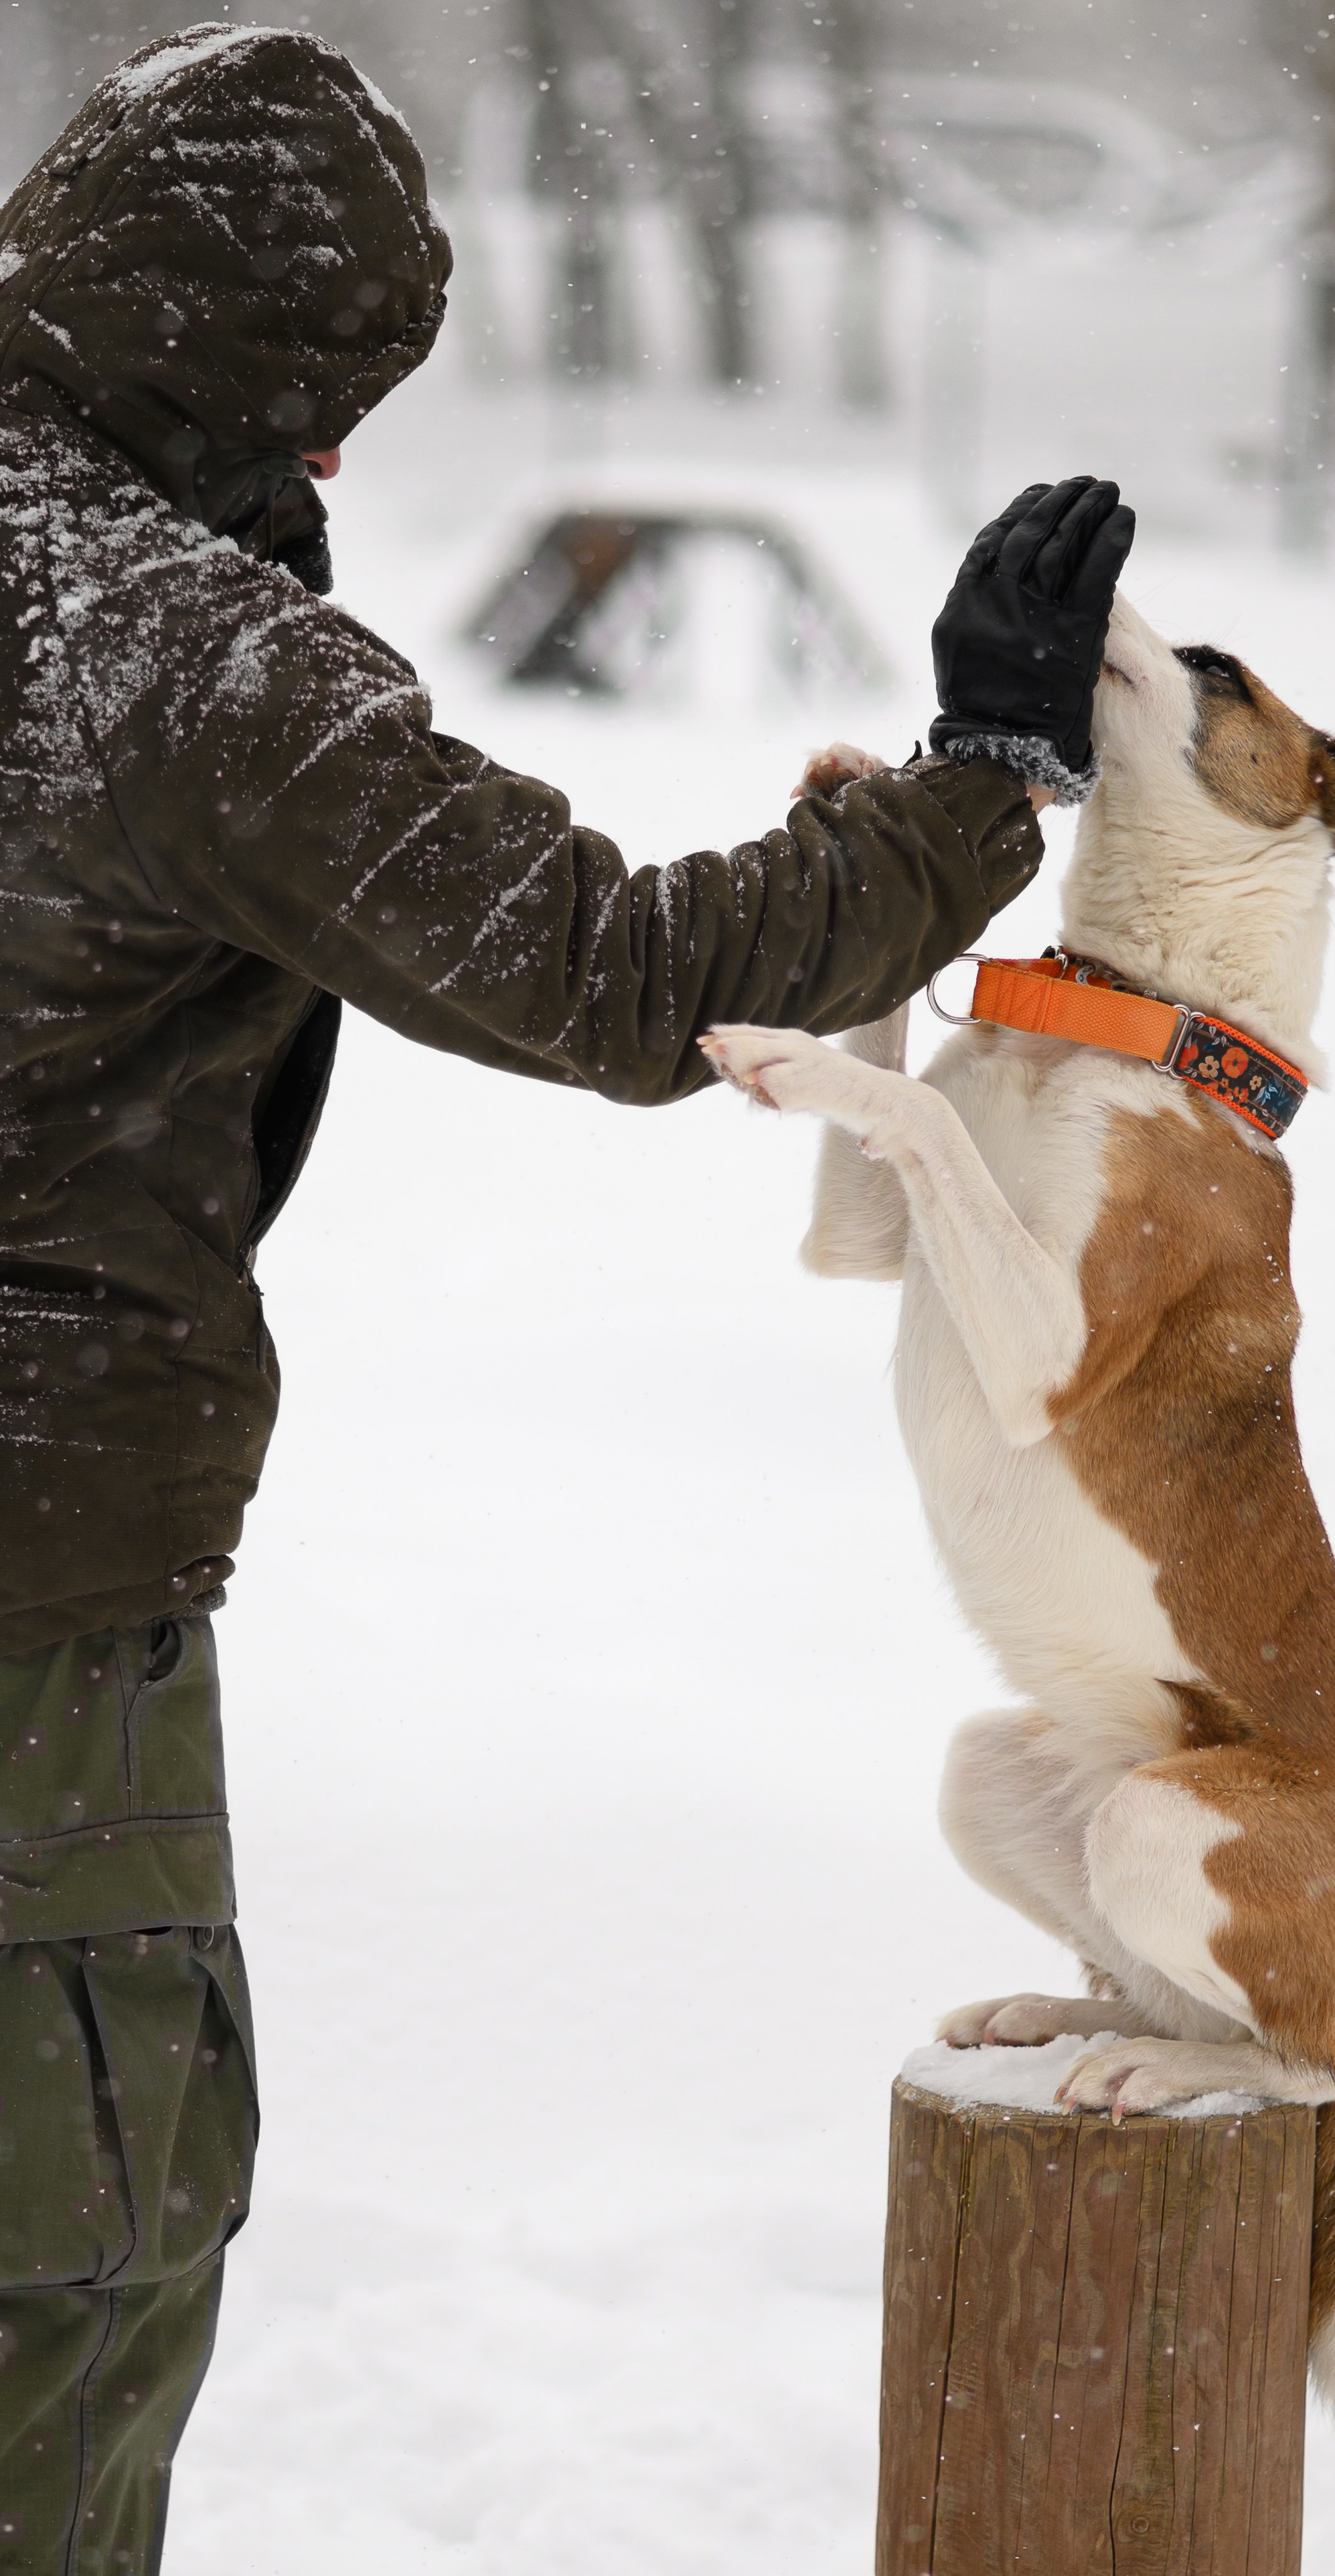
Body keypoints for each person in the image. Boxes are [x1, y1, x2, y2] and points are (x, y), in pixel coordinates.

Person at [0, 25, 1133, 2568]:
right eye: (322, 418)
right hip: (32, 1634)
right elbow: (623, 972)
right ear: (246, 363)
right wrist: (982, 775)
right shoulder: (171, 656)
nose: (326, 480)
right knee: (53, 2299)